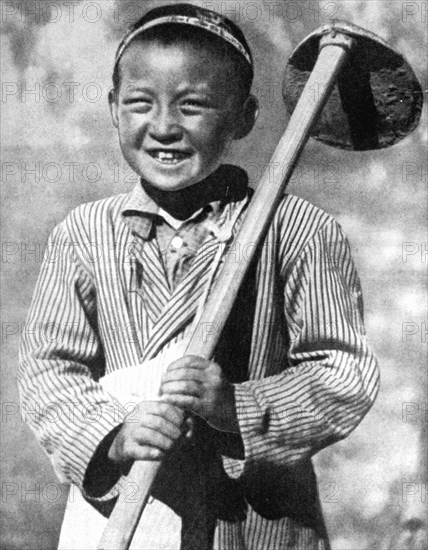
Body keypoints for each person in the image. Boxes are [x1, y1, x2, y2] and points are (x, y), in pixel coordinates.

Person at [18, 4, 380, 550]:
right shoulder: (83, 234)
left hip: (258, 523)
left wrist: (236, 406)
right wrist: (113, 439)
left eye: (193, 106)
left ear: (244, 117)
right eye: (140, 103)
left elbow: (343, 373)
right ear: (114, 108)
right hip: (128, 516)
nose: (164, 127)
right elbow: (49, 371)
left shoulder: (300, 230)